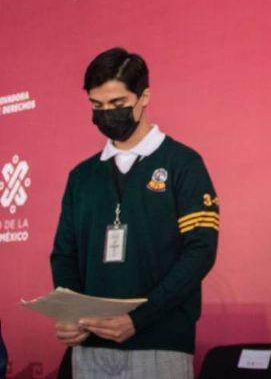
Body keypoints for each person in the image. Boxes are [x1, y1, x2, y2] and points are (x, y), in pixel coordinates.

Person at [50, 48, 219, 379]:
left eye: (117, 104)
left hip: (160, 347)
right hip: (89, 349)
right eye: (97, 106)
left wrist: (138, 318)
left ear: (144, 97)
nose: (107, 115)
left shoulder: (183, 163)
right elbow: (64, 254)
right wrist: (71, 314)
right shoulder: (81, 176)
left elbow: (200, 251)